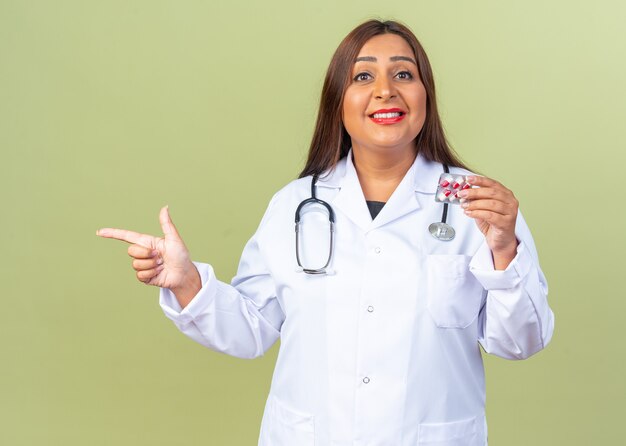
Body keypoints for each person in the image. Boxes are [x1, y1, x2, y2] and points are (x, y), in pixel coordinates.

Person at [97, 19, 554, 446]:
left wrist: (504, 250)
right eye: (362, 77)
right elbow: (252, 329)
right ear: (338, 100)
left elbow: (520, 342)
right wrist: (187, 283)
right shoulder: (295, 205)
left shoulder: (479, 206)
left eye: (403, 75)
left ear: (426, 95)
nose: (384, 91)